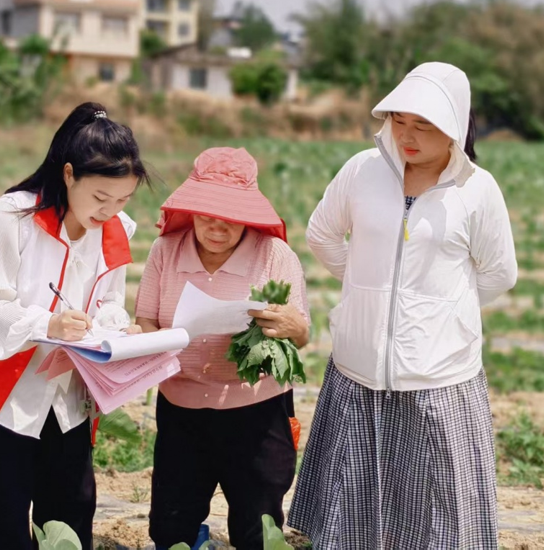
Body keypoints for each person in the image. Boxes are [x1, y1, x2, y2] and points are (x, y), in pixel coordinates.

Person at [288, 63, 518, 549]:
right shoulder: (362, 170)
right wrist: (369, 288)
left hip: (440, 374)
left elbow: (499, 272)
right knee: (352, 505)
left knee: (439, 510)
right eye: (399, 121)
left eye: (423, 126)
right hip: (359, 367)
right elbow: (322, 234)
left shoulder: (476, 189)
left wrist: (440, 310)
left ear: (454, 126)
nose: (407, 136)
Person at [0, 102, 149, 550]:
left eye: (122, 200)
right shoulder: (12, 216)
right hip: (2, 395)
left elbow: (110, 302)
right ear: (69, 174)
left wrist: (117, 331)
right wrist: (49, 323)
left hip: (68, 397)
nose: (109, 211)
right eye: (100, 198)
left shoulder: (116, 227)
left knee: (69, 519)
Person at [135, 147, 310, 550]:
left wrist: (291, 325)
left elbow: (301, 334)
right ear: (192, 210)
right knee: (171, 527)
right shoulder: (166, 250)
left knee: (257, 529)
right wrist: (153, 343)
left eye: (230, 218)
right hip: (181, 408)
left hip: (257, 411)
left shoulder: (274, 255)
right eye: (206, 215)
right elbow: (146, 318)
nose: (217, 227)